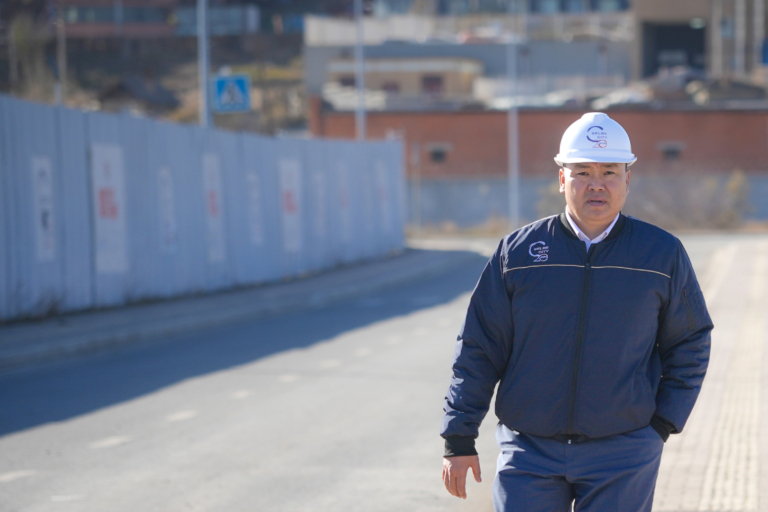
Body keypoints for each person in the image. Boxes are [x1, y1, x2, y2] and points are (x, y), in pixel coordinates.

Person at [440, 112, 713, 512]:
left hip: (623, 453)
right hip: (529, 451)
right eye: (583, 172)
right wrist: (459, 437)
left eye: (609, 172)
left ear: (627, 180)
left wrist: (661, 425)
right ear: (562, 178)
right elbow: (479, 347)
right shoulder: (517, 254)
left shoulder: (661, 254)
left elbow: (690, 341)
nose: (596, 184)